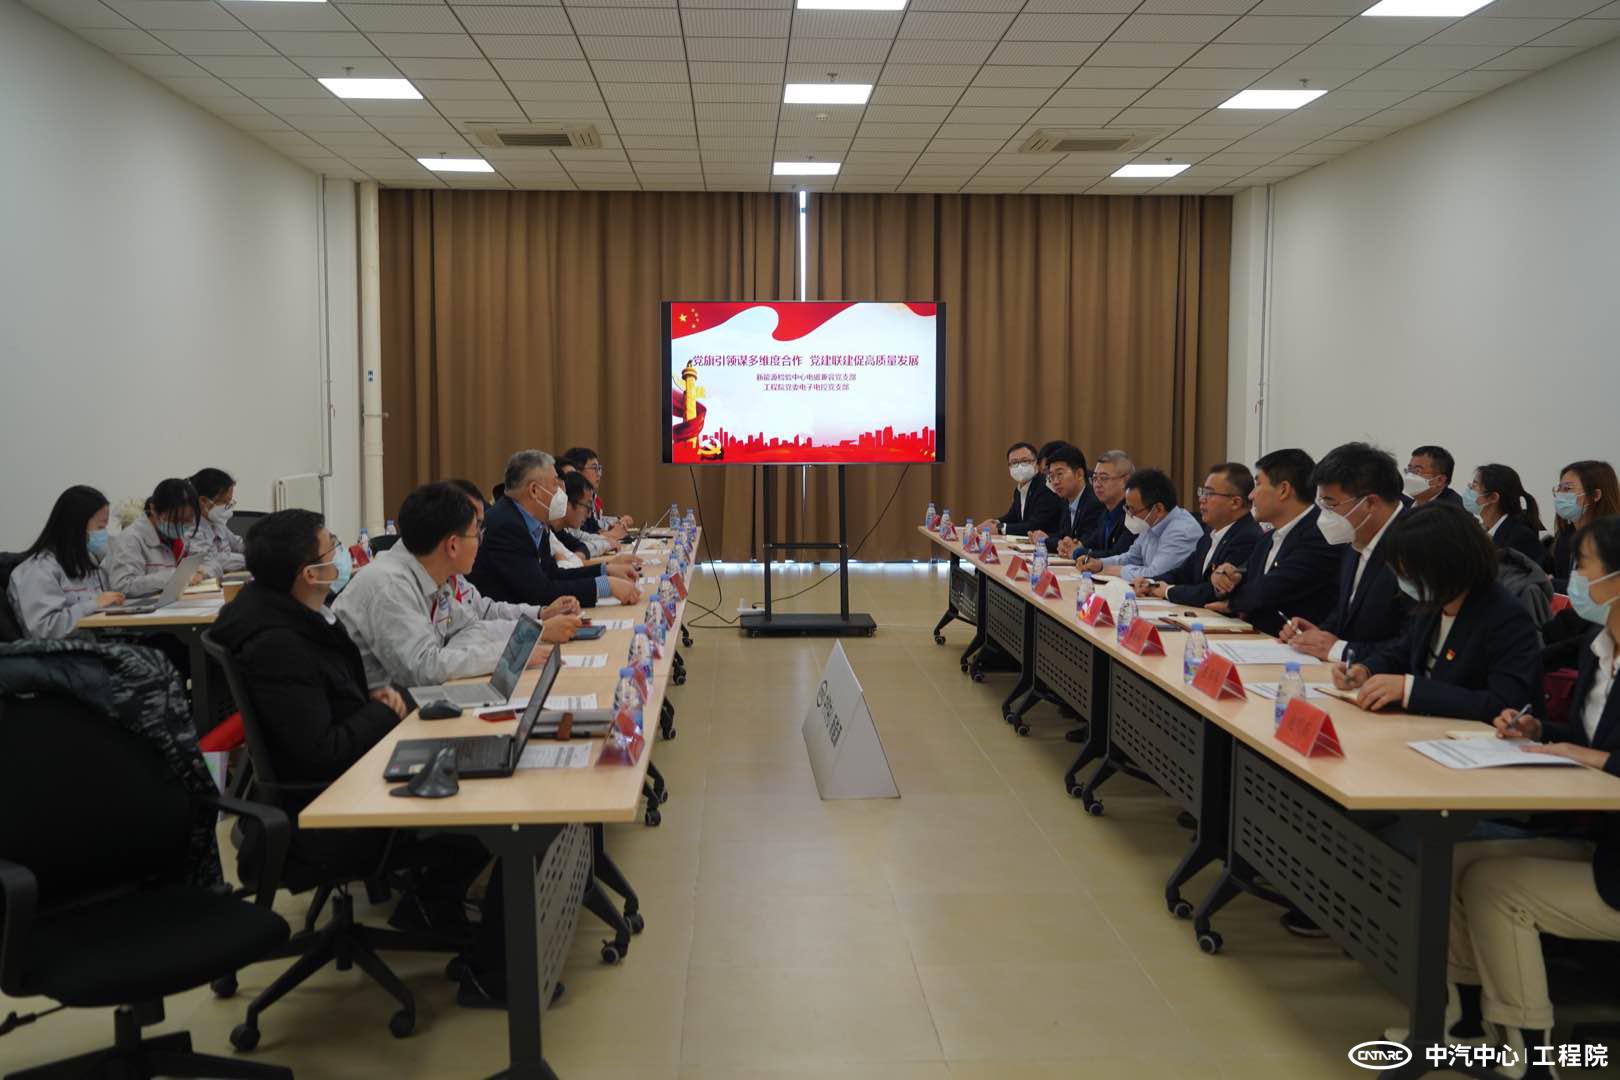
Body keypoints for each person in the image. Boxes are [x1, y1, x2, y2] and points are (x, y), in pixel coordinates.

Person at [210, 509, 507, 1006]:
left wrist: (372, 705)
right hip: (326, 810)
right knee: (488, 805)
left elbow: (320, 715)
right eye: (331, 549)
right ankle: (490, 971)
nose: (342, 556)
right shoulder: (279, 645)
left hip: (340, 780)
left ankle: (430, 909)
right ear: (309, 574)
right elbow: (322, 753)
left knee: (475, 763)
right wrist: (382, 712)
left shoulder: (290, 617)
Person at [1412, 517, 1620, 1079]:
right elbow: (1592, 740)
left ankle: (1531, 1059)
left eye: (1583, 567)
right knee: (1455, 860)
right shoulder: (1600, 648)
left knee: (1497, 888)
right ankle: (1467, 1025)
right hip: (1603, 839)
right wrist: (1540, 732)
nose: (1571, 580)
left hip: (1612, 856)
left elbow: (1603, 754)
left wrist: (1598, 760)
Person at [333, 481, 580, 691]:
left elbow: (470, 627)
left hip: (413, 701)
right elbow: (424, 670)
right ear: (452, 545)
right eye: (475, 534)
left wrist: (529, 636)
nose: (480, 542)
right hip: (382, 718)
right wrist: (509, 654)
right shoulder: (389, 586)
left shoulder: (433, 573)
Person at [1333, 504, 1542, 721]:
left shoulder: (1505, 617)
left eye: (1411, 572)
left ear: (1446, 565)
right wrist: (1365, 670)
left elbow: (1503, 703)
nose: (1404, 580)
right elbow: (1403, 651)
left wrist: (1410, 690)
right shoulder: (1433, 604)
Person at [1279, 443, 1413, 663]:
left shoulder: (1415, 545)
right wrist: (1317, 635)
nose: (1324, 515)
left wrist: (1340, 649)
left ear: (1370, 503)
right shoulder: (1355, 536)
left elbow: (1414, 643)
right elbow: (1346, 612)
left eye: (1330, 504)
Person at [470, 450, 642, 609]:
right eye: (555, 485)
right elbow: (540, 592)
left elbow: (553, 574)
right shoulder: (506, 525)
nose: (562, 494)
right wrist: (606, 586)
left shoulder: (535, 521)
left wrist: (605, 571)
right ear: (534, 490)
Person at [1201, 448, 1338, 636]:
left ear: (1283, 490)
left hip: (1293, 644)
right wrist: (1227, 577)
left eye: (1258, 485)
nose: (1251, 496)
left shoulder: (1321, 534)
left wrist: (1232, 603)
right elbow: (1248, 577)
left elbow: (1274, 587)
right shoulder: (1267, 538)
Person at [7, 485, 124, 638]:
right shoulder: (38, 570)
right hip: (66, 652)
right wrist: (94, 605)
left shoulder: (88, 564)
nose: (104, 534)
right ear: (76, 526)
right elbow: (44, 629)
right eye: (100, 527)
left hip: (103, 643)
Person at [1138, 463, 1262, 605]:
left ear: (1235, 502)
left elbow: (1215, 591)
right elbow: (1183, 573)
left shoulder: (1247, 537)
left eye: (1209, 493)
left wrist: (1168, 591)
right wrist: (1150, 583)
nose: (1202, 499)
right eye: (1203, 492)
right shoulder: (1210, 533)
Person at [1077, 468, 1202, 584]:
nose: (1129, 515)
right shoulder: (1151, 522)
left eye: (1133, 510)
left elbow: (1156, 575)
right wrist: (1100, 564)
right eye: (1127, 508)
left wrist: (1121, 571)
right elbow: (1132, 557)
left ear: (1158, 509)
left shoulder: (1182, 532)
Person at [105, 477, 210, 595]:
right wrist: (173, 576)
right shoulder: (131, 538)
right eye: (177, 519)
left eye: (189, 519)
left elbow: (208, 561)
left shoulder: (183, 534)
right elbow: (123, 585)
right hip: (144, 604)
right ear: (154, 509)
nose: (183, 525)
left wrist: (201, 571)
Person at [1551, 460, 1619, 590]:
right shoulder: (1564, 538)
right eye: (1559, 489)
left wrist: (1552, 584)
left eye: (1567, 489)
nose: (1560, 495)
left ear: (1596, 495)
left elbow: (1604, 589)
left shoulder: (1613, 540)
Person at [1465, 463, 1547, 570]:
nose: (1469, 489)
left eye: (1474, 485)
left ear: (1493, 497)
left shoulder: (1520, 537)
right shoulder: (1481, 530)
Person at [1026, 445, 1101, 555]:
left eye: (1060, 474)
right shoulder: (1065, 501)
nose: (1055, 482)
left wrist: (1047, 541)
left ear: (1079, 474)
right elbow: (1064, 536)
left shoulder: (1094, 502)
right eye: (1051, 476)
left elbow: (1082, 543)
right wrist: (1045, 538)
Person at [982, 441, 1061, 538]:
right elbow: (1013, 516)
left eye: (1025, 461)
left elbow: (1035, 525)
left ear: (1036, 464)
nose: (1019, 466)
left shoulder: (1046, 486)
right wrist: (995, 522)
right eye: (1014, 462)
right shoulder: (1019, 489)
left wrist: (1000, 528)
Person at [560, 447, 634, 539]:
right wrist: (609, 535)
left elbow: (594, 528)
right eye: (594, 468)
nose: (599, 474)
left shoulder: (590, 497)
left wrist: (615, 525)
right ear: (578, 473)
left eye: (599, 468)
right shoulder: (568, 499)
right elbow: (577, 537)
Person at [1077, 451, 1133, 559]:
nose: (1097, 484)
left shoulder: (1132, 514)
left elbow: (1118, 555)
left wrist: (1079, 552)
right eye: (1094, 478)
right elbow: (1092, 543)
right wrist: (1074, 546)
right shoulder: (1105, 512)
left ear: (1125, 482)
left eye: (1104, 478)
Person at [189, 467, 246, 574]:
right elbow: (211, 562)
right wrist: (250, 560)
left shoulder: (216, 522)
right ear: (203, 501)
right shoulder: (190, 528)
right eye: (224, 502)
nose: (227, 508)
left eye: (230, 503)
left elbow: (239, 544)